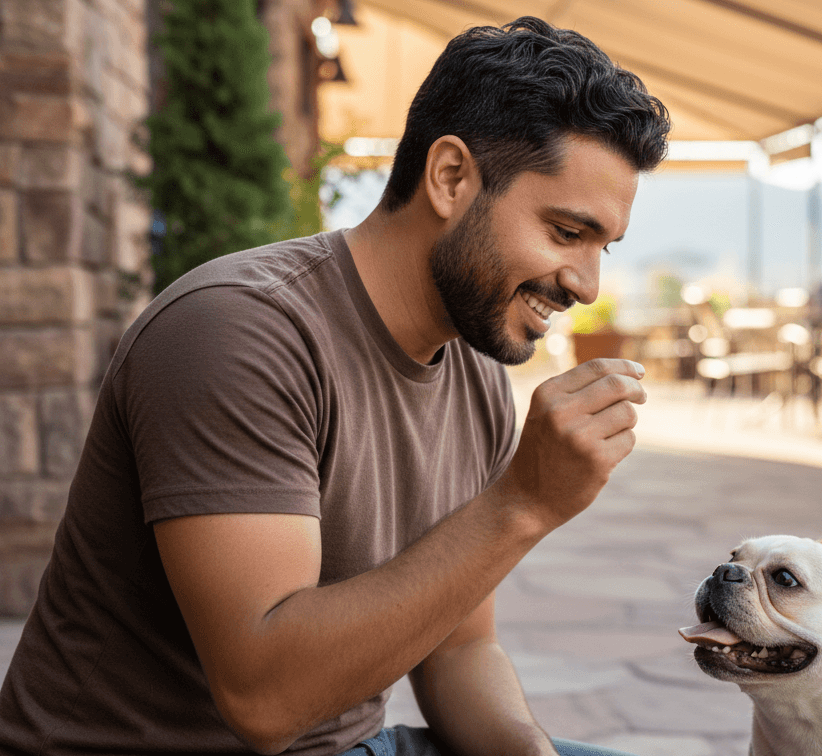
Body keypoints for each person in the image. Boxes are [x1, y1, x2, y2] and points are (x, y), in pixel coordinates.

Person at [0, 16, 670, 756]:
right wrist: (523, 503)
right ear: (450, 177)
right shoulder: (237, 332)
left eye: (603, 247)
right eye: (566, 233)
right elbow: (264, 699)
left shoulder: (474, 370)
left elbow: (457, 652)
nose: (585, 283)